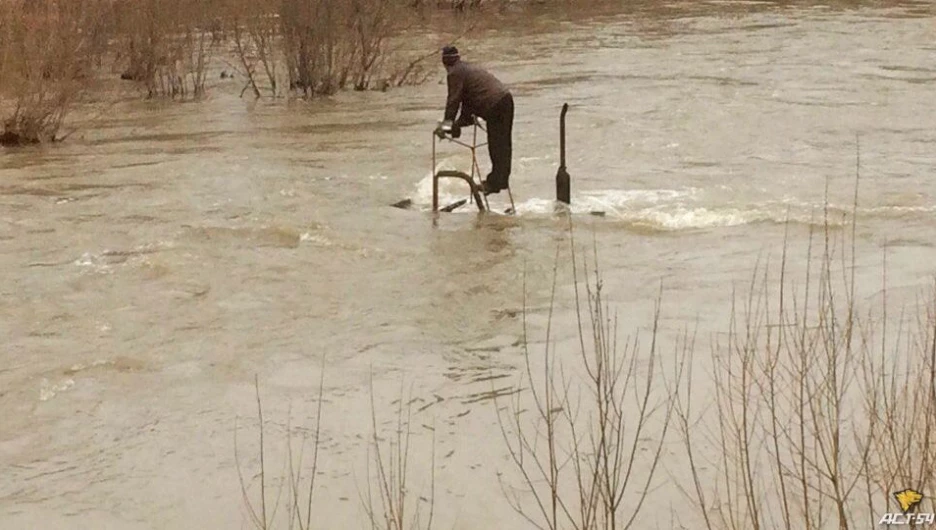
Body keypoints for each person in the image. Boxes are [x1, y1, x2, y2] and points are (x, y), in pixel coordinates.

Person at [435, 46, 514, 195]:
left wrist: (446, 127)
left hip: (494, 104)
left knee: (496, 144)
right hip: (505, 99)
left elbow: (453, 101)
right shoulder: (467, 68)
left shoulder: (454, 73)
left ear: (445, 63)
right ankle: (500, 181)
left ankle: (496, 183)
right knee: (502, 144)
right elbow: (468, 108)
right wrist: (455, 125)